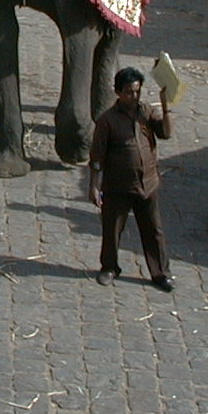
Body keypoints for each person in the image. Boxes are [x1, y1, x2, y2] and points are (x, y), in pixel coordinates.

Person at [88, 67, 174, 292]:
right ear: (118, 92)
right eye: (128, 92)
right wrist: (94, 186)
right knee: (112, 228)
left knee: (154, 230)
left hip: (148, 183)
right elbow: (97, 156)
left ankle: (160, 273)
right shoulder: (107, 121)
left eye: (137, 92)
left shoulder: (146, 112)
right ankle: (109, 267)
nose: (133, 97)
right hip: (118, 185)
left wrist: (166, 107)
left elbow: (165, 133)